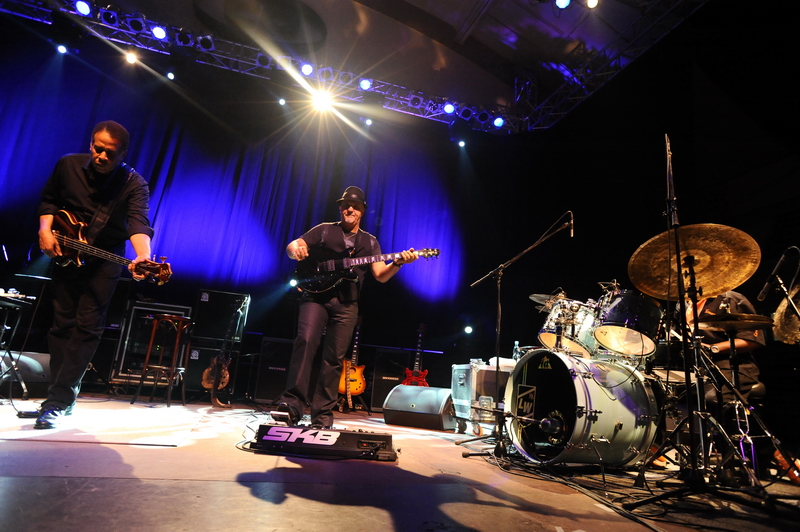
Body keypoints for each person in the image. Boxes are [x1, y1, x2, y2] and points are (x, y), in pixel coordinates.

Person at [27, 120, 154, 429]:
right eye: (97, 149)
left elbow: (138, 224)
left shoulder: (133, 184)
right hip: (65, 254)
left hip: (104, 260)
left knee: (87, 327)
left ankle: (58, 400)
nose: (101, 156)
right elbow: (49, 200)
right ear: (90, 144)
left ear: (123, 153)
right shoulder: (67, 165)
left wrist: (143, 257)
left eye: (110, 153)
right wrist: (45, 231)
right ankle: (58, 399)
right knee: (61, 326)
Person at [275, 186, 417, 429]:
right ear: (341, 209)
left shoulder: (370, 242)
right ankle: (292, 406)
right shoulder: (324, 230)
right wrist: (294, 249)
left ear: (362, 211)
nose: (350, 209)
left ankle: (321, 417)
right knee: (306, 341)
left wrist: (398, 263)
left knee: (334, 359)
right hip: (315, 297)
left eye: (355, 206)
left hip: (347, 305)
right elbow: (293, 245)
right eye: (345, 205)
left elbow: (381, 275)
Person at [687, 290, 766, 409]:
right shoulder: (682, 305)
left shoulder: (730, 299)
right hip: (696, 367)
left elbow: (751, 341)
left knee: (712, 399)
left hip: (730, 364)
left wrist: (711, 348)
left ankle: (727, 426)